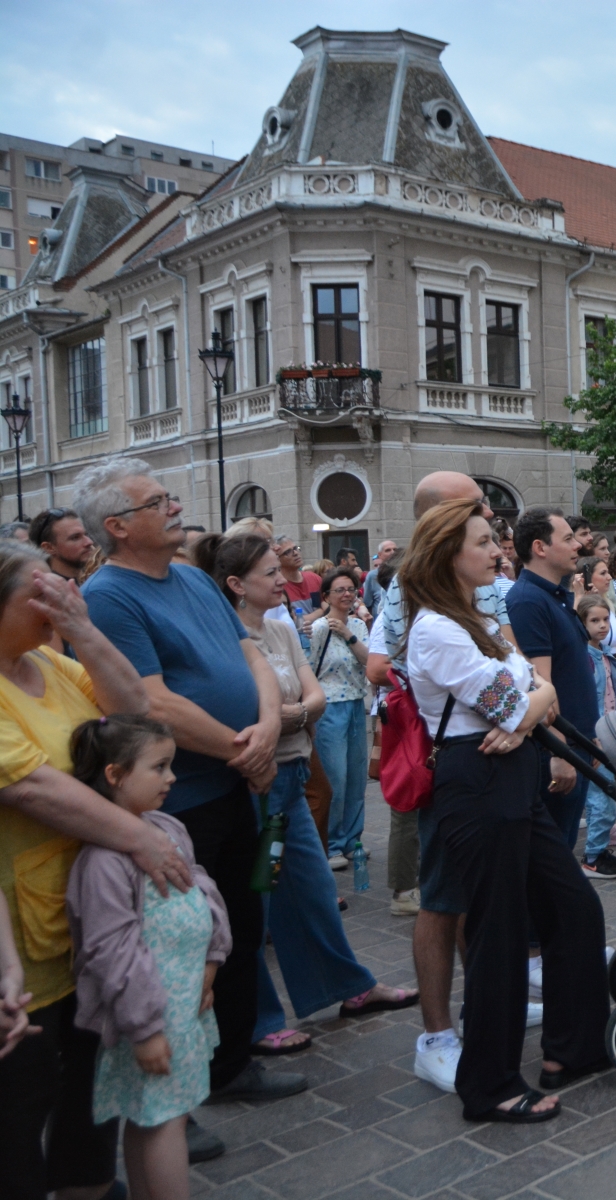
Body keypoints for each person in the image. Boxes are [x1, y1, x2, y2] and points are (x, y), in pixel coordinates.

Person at [73, 460, 303, 1124]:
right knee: (169, 948)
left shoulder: (195, 580)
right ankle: (166, 1105)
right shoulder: (109, 596)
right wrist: (244, 749)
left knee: (233, 926)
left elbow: (251, 654)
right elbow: (151, 701)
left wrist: (262, 730)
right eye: (158, 502)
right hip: (178, 801)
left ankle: (228, 1065)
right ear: (117, 526)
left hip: (234, 785)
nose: (176, 508)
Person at [0, 539, 202, 1192]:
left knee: (91, 1099)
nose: (60, 595)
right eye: (41, 590)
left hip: (98, 921)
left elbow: (133, 714)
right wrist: (142, 841)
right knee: (23, 1107)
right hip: (27, 936)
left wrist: (81, 628)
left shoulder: (50, 663)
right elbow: (30, 785)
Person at [401, 496, 608, 1124]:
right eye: (485, 543)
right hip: (480, 783)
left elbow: (525, 697)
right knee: (498, 935)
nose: (499, 551)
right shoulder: (436, 628)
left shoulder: (472, 619)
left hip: (510, 776)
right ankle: (488, 1084)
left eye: (496, 541)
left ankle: (570, 1049)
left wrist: (527, 706)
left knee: (573, 905)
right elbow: (520, 702)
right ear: (447, 555)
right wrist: (529, 705)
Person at [193, 533, 415, 1058]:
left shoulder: (281, 628)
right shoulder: (221, 637)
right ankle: (258, 1018)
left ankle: (348, 987)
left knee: (314, 891)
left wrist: (285, 717)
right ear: (234, 584)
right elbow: (262, 709)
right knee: (257, 901)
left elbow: (311, 696)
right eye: (269, 573)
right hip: (258, 785)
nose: (282, 580)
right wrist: (292, 716)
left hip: (291, 774)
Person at [363, 470, 515, 1087]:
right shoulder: (413, 594)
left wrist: (516, 694)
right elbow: (380, 662)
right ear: (439, 525)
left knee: (476, 895)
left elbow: (517, 664)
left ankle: (484, 1003)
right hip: (453, 755)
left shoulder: (480, 582)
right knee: (443, 894)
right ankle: (436, 1033)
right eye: (472, 510)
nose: (488, 521)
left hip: (497, 748)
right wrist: (439, 696)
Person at [64, 716, 226, 1200]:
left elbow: (203, 889)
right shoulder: (103, 861)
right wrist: (145, 1027)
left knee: (155, 1115)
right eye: (159, 767)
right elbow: (112, 948)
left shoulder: (166, 826)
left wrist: (211, 961)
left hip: (183, 1006)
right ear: (114, 775)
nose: (172, 778)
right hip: (152, 1015)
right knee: (162, 1122)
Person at [504, 508, 603, 855]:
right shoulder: (528, 600)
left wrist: (589, 737)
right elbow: (539, 682)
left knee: (561, 849)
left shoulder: (553, 596)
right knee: (550, 856)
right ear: (540, 547)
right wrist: (558, 752)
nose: (578, 545)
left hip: (575, 741)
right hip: (555, 750)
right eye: (567, 539)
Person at [307, 568, 370, 867]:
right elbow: (309, 665)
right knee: (336, 777)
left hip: (357, 702)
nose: (347, 594)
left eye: (351, 589)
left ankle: (352, 839)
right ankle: (331, 843)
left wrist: (349, 634)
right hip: (330, 706)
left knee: (357, 778)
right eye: (340, 590)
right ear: (326, 597)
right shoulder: (319, 628)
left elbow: (370, 661)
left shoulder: (358, 624)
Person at [272, 537, 321, 616]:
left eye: (295, 548)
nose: (295, 553)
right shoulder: (277, 587)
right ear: (277, 560)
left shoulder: (314, 578)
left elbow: (330, 608)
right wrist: (321, 611)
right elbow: (293, 621)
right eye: (288, 552)